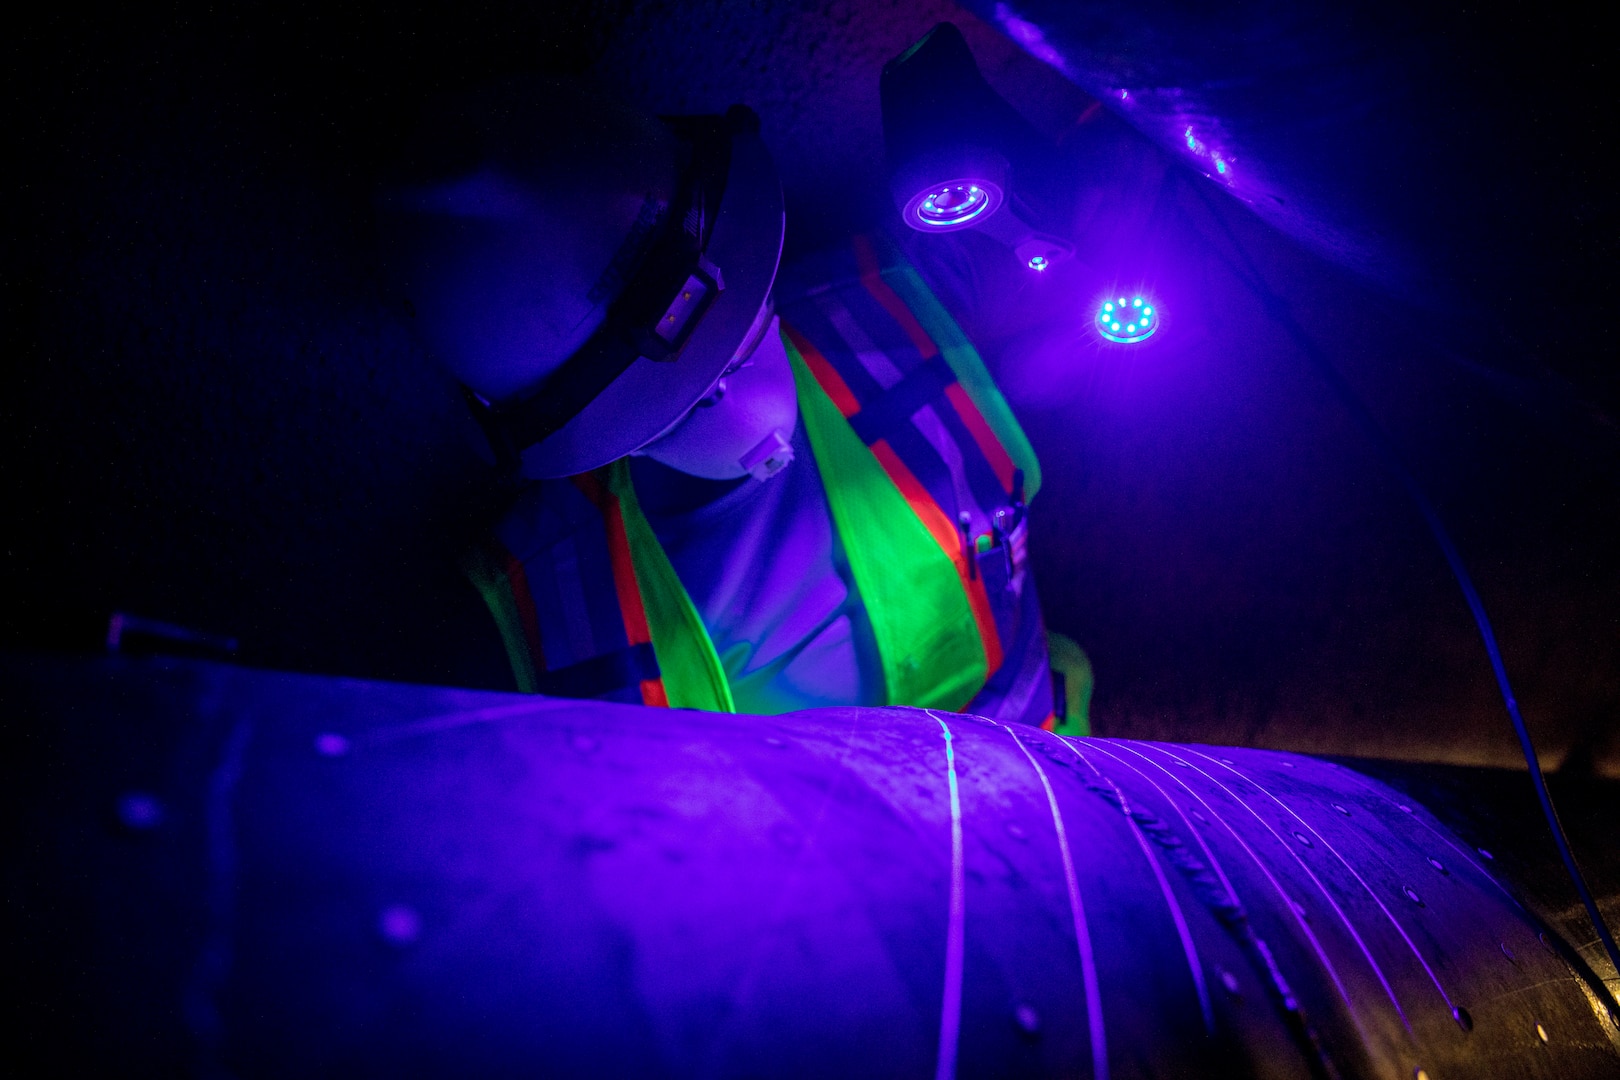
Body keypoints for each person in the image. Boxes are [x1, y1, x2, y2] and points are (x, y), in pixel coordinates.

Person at [378, 78, 1089, 731]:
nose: (734, 382)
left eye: (739, 317)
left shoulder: (892, 306)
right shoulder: (548, 604)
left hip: (1074, 783)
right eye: (677, 389)